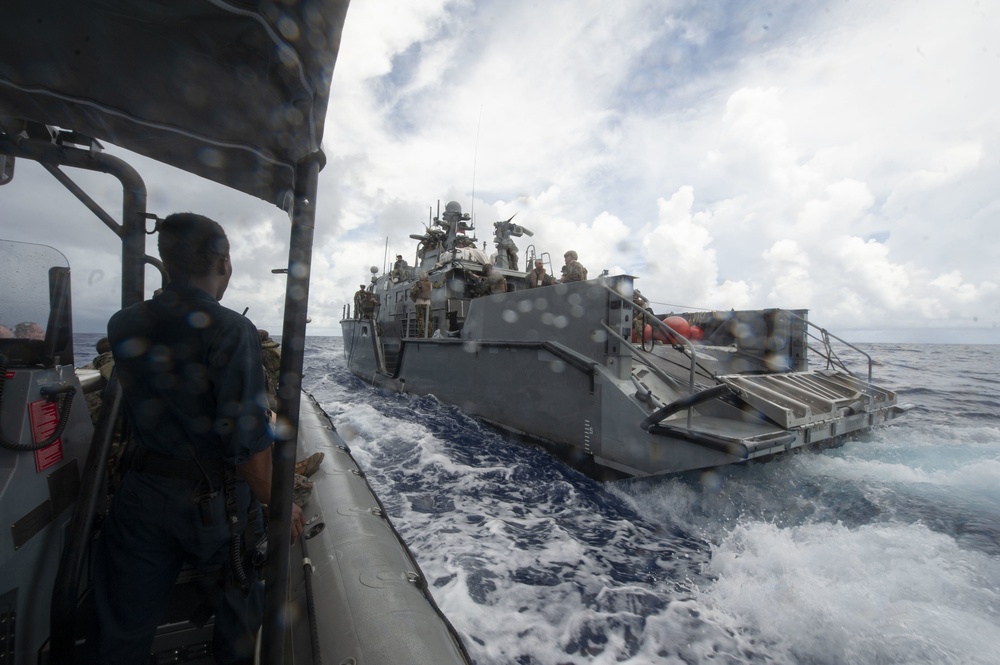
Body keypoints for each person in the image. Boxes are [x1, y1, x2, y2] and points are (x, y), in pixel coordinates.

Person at [85, 212, 304, 665]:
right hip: (214, 506)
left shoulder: (122, 323)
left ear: (165, 260)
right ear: (223, 262)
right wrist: (279, 501)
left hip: (141, 496)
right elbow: (245, 445)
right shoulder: (230, 329)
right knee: (239, 621)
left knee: (121, 630)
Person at [409, 273, 433, 338]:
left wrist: (414, 299)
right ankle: (429, 334)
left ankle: (421, 334)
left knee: (420, 319)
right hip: (428, 304)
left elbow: (411, 292)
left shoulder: (417, 284)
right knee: (428, 320)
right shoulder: (429, 284)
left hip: (419, 303)